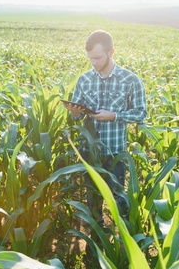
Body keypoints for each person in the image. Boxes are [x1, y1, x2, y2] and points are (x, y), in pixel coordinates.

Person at [63, 29, 147, 227]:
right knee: (92, 199)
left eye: (98, 58)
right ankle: (96, 238)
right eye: (90, 58)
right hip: (89, 151)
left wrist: (114, 116)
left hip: (114, 152)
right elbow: (77, 115)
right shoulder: (84, 80)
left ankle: (124, 241)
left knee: (119, 199)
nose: (94, 63)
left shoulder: (130, 80)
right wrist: (74, 113)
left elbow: (141, 113)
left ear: (111, 52)